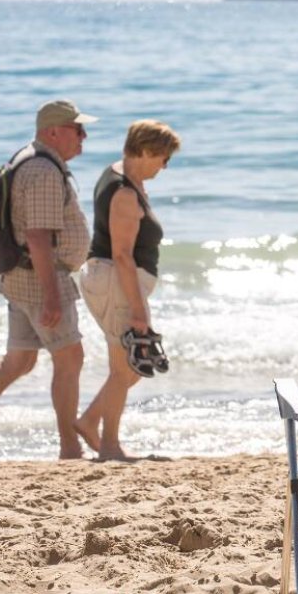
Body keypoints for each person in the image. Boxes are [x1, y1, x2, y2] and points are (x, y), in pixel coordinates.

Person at [0, 100, 94, 461]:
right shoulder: (42, 170)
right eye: (77, 129)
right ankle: (70, 446)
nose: (84, 137)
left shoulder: (29, 160)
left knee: (19, 362)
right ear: (53, 132)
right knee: (70, 358)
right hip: (40, 279)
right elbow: (39, 237)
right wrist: (53, 295)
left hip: (22, 277)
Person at [75, 119, 180, 460]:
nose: (165, 167)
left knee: (130, 366)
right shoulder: (123, 192)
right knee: (125, 369)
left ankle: (91, 421)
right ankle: (108, 445)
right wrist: (137, 312)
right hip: (115, 282)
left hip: (116, 282)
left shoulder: (123, 177)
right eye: (163, 158)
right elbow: (121, 255)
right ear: (147, 150)